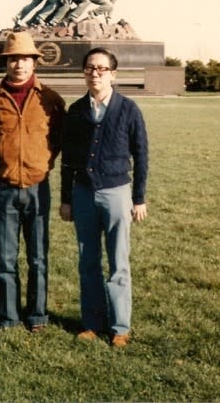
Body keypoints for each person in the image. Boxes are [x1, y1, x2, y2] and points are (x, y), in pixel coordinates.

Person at [0, 31, 65, 334]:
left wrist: (42, 165)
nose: (19, 65)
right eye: (13, 59)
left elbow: (59, 139)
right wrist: (1, 167)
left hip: (39, 188)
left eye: (25, 59)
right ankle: (8, 317)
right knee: (6, 259)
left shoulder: (50, 100)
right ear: (6, 62)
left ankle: (37, 315)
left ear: (34, 62)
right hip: (5, 189)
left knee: (38, 257)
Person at [59, 47, 148, 347]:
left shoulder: (129, 109)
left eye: (101, 69)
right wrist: (66, 198)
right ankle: (92, 322)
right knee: (88, 261)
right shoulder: (76, 111)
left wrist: (139, 198)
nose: (94, 74)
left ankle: (120, 326)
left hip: (117, 194)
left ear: (113, 73)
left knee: (118, 262)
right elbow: (68, 159)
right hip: (83, 194)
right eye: (89, 68)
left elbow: (142, 155)